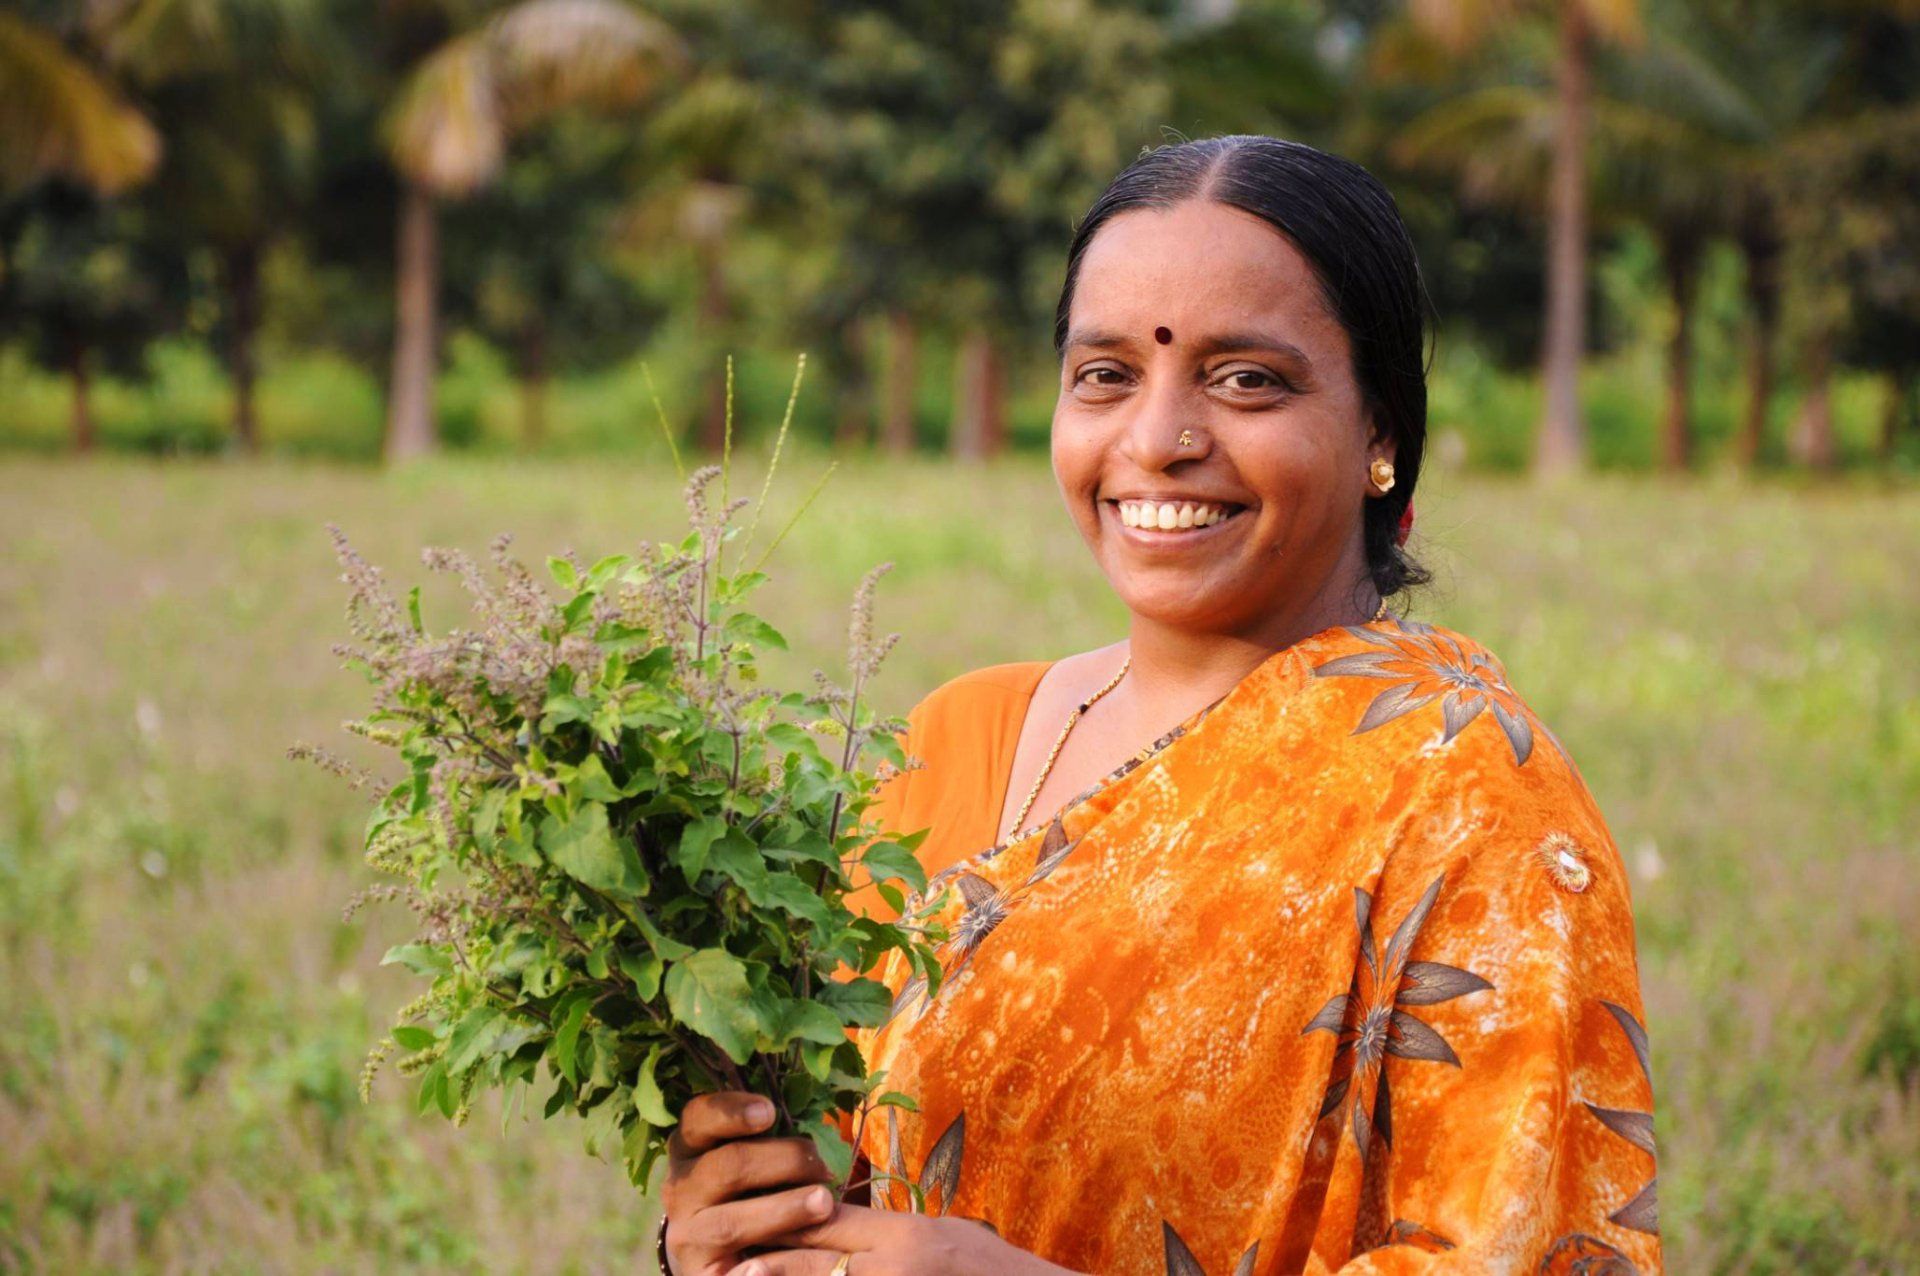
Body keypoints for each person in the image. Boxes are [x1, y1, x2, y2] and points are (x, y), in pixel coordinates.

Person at [655, 135, 1661, 1276]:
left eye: (1246, 380)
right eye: (1107, 374)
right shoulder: (957, 740)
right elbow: (834, 1184)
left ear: (1380, 431)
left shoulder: (1473, 795)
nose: (1156, 440)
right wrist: (724, 1231)